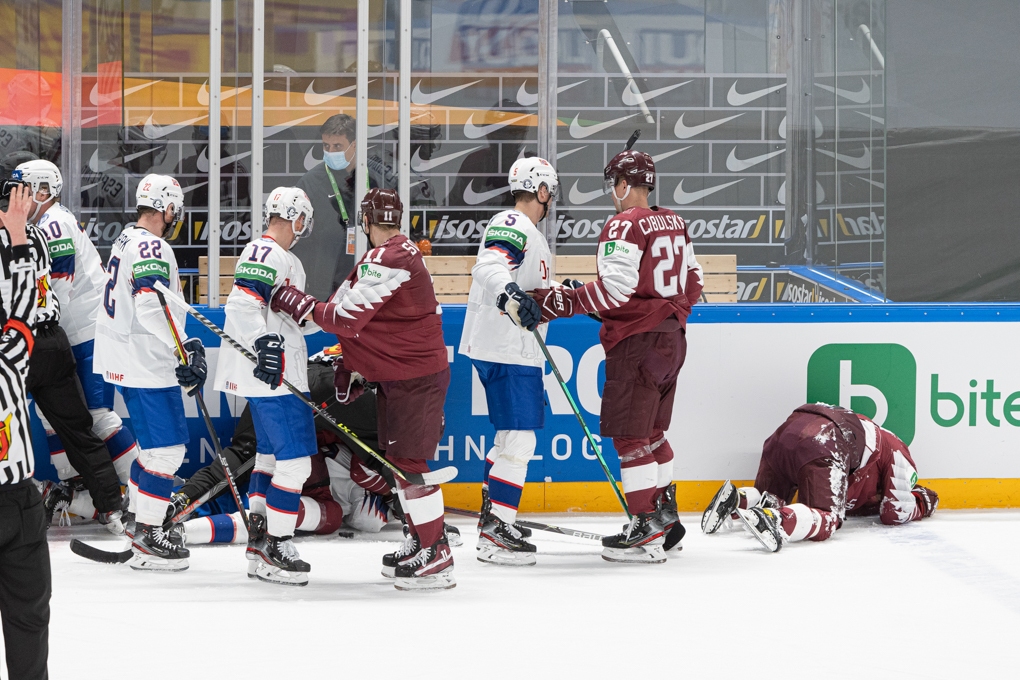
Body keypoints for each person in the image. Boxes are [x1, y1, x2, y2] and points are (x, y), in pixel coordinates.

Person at [272, 188, 454, 591]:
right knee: (399, 465)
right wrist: (354, 369)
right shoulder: (388, 255)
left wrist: (294, 301)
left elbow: (345, 319)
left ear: (365, 221)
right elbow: (373, 325)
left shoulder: (391, 256)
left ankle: (436, 553)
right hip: (400, 378)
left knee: (409, 466)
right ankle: (421, 542)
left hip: (415, 381)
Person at [531, 150, 703, 564]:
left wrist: (561, 301)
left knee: (630, 439)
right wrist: (661, 310)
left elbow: (615, 291)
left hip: (637, 345)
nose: (612, 194)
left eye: (613, 185)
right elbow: (693, 283)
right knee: (653, 435)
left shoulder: (623, 224)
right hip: (672, 341)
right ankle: (665, 519)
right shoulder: (675, 222)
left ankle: (644, 528)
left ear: (624, 185)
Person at [0, 161, 127, 535]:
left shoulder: (48, 226)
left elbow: (37, 290)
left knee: (91, 419)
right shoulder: (38, 233)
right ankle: (106, 503)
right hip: (55, 340)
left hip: (25, 342)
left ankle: (126, 492)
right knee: (72, 425)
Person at [93, 173, 204, 571]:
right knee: (168, 451)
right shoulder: (152, 245)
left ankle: (136, 517)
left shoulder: (126, 239)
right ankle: (148, 537)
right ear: (168, 207)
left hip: (127, 359)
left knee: (154, 450)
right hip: (145, 360)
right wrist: (184, 346)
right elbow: (151, 306)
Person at [212, 187, 319, 587]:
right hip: (275, 375)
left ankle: (259, 543)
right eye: (303, 220)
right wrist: (266, 343)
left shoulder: (280, 256)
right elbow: (241, 305)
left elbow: (295, 320)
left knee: (270, 457)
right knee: (296, 463)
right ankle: (278, 543)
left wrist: (336, 313)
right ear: (296, 218)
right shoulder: (269, 252)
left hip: (269, 373)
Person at [458, 156, 558, 566]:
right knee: (520, 440)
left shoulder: (525, 230)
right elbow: (489, 265)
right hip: (508, 348)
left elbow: (522, 278)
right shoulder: (515, 223)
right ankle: (498, 529)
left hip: (507, 347)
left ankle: (495, 519)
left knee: (509, 439)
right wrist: (510, 295)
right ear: (542, 190)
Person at [701, 403, 940, 552]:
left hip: (785, 433)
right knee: (827, 519)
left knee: (771, 497)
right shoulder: (899, 451)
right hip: (826, 441)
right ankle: (776, 521)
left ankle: (738, 500)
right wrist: (924, 501)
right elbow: (894, 513)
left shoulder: (873, 447)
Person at [293, 113, 439, 299]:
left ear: (354, 144)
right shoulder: (311, 182)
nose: (330, 152)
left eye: (337, 146)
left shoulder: (379, 178)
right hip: (327, 282)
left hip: (375, 280)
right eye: (326, 146)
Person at [0, 181, 50, 680]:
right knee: (29, 621)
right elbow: (24, 311)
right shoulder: (9, 354)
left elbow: (21, 312)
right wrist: (17, 242)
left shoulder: (8, 352)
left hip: (18, 499)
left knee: (30, 618)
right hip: (15, 499)